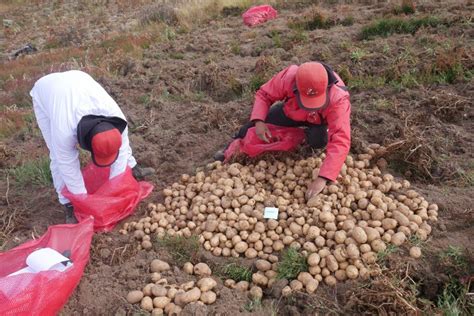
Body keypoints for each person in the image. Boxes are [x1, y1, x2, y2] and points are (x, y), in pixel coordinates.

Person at [30, 70, 153, 224]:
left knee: (122, 154)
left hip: (79, 79)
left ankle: (134, 169)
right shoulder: (64, 131)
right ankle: (67, 204)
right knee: (56, 155)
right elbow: (68, 166)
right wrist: (83, 203)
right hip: (46, 92)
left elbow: (121, 152)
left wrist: (117, 191)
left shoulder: (117, 118)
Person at [215, 61, 351, 200]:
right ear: (297, 88)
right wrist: (259, 121)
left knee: (319, 140)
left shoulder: (338, 99)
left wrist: (323, 177)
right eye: (308, 102)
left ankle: (301, 141)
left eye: (315, 103)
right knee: (249, 129)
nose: (312, 107)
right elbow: (264, 94)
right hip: (291, 111)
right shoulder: (289, 77)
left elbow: (340, 139)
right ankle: (227, 152)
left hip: (319, 121)